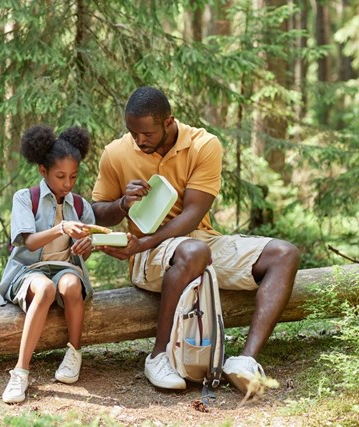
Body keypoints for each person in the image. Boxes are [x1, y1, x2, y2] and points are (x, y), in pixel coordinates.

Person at [91, 86, 300, 394]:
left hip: (195, 242)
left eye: (146, 133)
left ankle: (244, 361)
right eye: (133, 133)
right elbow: (97, 212)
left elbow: (193, 213)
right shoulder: (116, 153)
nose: (139, 140)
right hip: (147, 255)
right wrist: (123, 203)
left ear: (168, 122)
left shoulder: (204, 145)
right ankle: (158, 355)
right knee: (194, 251)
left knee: (285, 254)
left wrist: (145, 243)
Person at [0, 124, 95, 404]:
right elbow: (29, 242)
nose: (67, 183)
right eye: (60, 176)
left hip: (65, 269)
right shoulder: (26, 198)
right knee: (45, 289)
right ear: (43, 170)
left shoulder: (80, 205)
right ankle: (20, 372)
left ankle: (74, 354)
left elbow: (85, 251)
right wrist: (62, 228)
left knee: (72, 284)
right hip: (29, 272)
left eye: (73, 176)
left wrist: (86, 246)